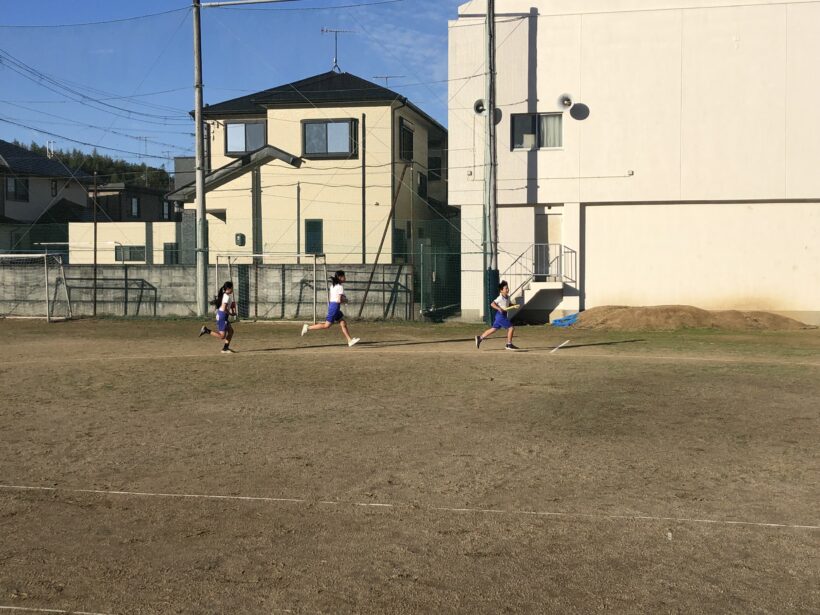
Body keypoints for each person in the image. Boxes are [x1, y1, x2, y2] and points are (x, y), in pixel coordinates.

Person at [301, 270, 360, 347]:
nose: (345, 278)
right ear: (340, 277)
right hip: (335, 307)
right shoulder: (340, 287)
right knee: (327, 325)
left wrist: (343, 299)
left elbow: (335, 298)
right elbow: (339, 300)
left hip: (333, 306)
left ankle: (349, 340)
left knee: (343, 322)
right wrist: (346, 300)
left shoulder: (333, 286)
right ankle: (308, 327)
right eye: (344, 276)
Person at [475, 280, 519, 350]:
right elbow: (492, 304)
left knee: (494, 329)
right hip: (500, 316)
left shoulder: (508, 297)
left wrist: (514, 305)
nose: (507, 289)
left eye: (508, 288)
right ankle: (509, 344)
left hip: (503, 315)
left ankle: (480, 338)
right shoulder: (500, 298)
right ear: (501, 290)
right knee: (511, 328)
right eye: (506, 288)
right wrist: (499, 308)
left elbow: (508, 304)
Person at [199, 281, 237, 353]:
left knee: (231, 331)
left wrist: (232, 306)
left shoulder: (227, 296)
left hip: (224, 316)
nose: (233, 289)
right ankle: (206, 330)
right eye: (232, 288)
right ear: (228, 289)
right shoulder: (226, 296)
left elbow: (229, 305)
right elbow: (224, 308)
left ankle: (225, 348)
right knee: (222, 336)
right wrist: (231, 314)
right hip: (222, 316)